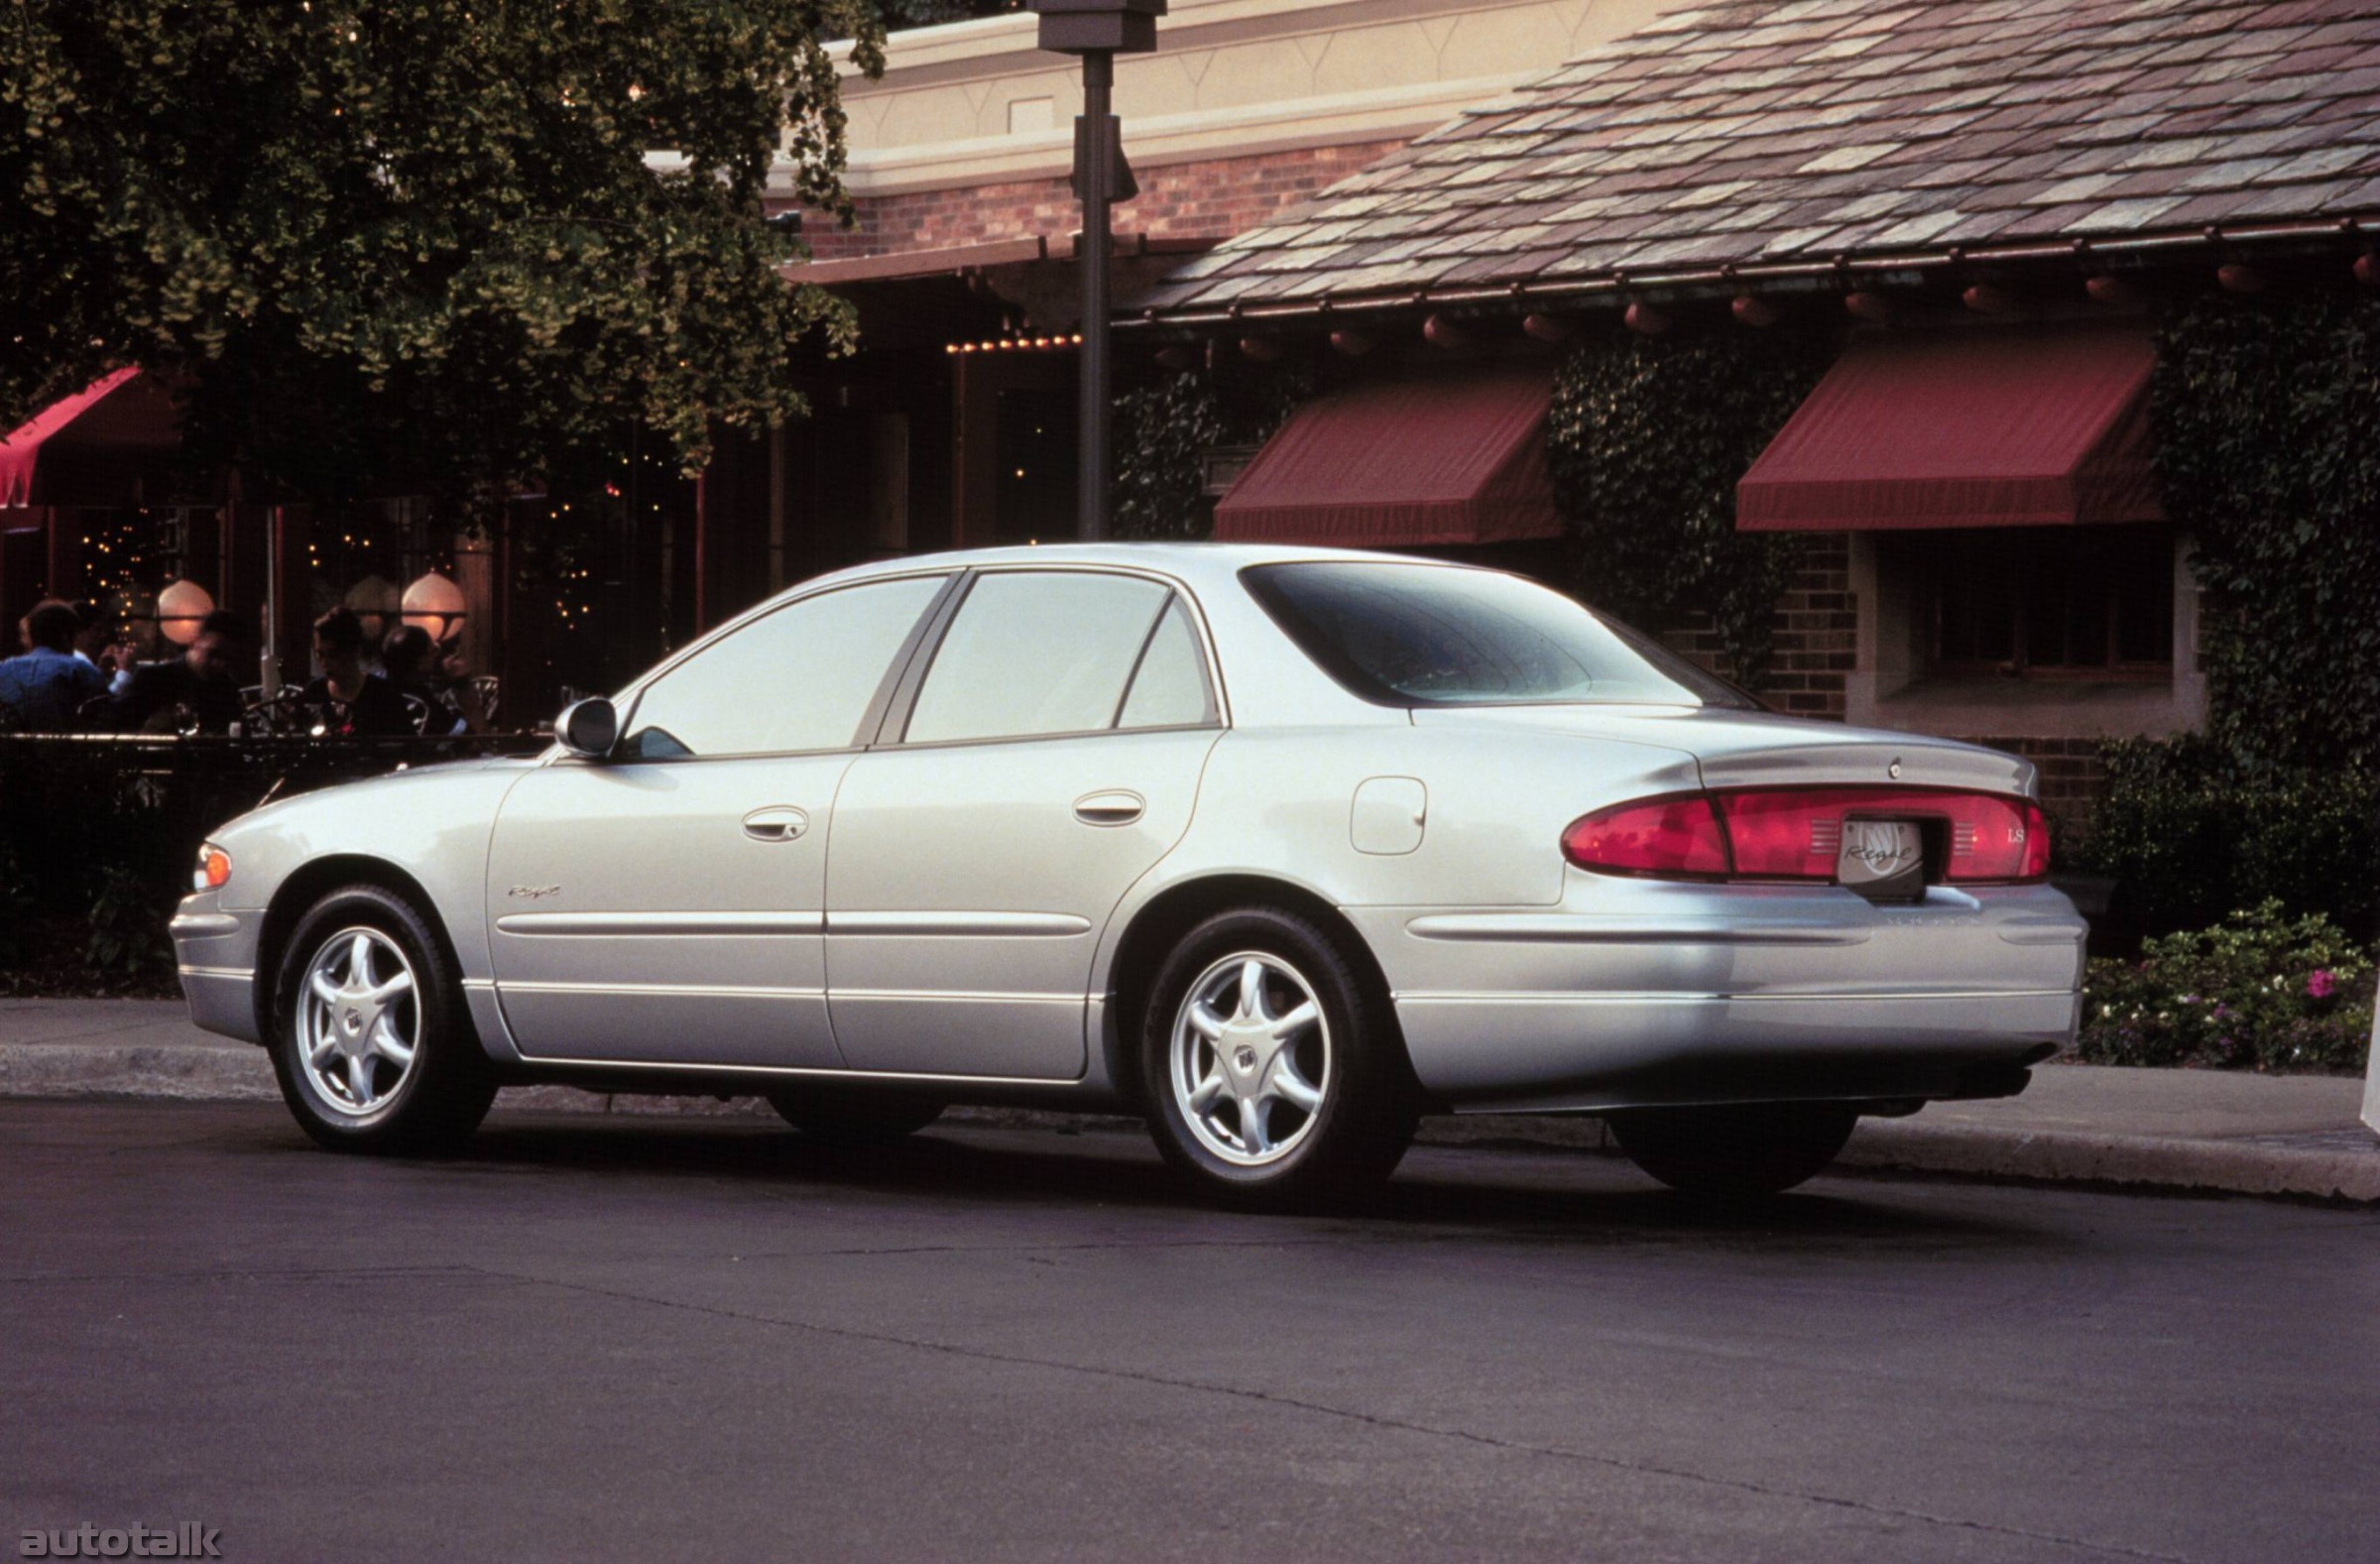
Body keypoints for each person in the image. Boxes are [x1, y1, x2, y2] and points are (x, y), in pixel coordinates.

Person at [107, 609, 251, 734]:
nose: (220, 664)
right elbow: (113, 727)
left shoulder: (227, 689)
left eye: (228, 658)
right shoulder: (153, 679)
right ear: (193, 642)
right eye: (214, 654)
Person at [297, 608, 412, 737]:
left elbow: (405, 744)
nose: (325, 662)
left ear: (355, 651)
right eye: (320, 654)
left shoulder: (384, 696)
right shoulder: (314, 692)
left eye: (334, 654)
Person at [0, 599, 109, 731]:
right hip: (65, 743)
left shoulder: (4, 668)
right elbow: (104, 720)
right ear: (66, 637)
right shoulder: (81, 670)